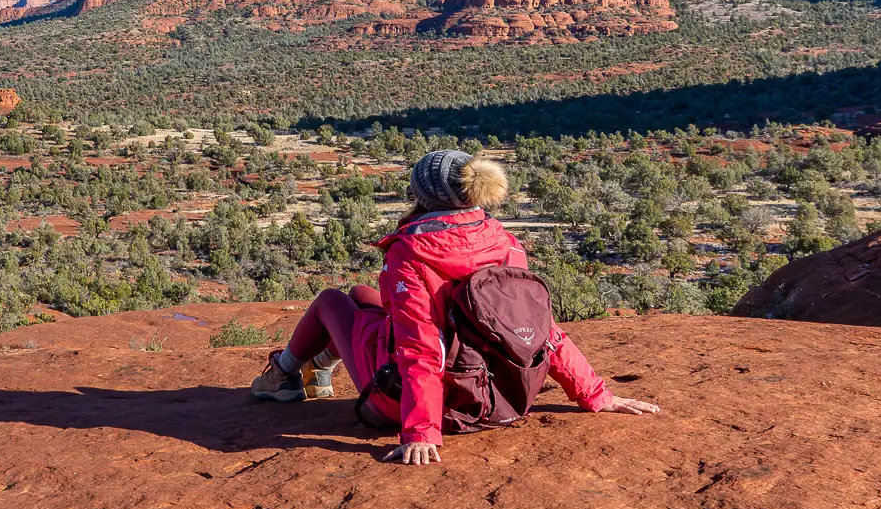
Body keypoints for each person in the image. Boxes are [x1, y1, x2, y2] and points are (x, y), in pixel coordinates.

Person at [251, 148, 660, 464]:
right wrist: (596, 395)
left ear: (424, 196)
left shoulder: (412, 253)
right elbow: (540, 331)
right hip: (496, 395)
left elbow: (420, 347)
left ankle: (285, 374)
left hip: (411, 403)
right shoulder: (505, 244)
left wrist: (421, 433)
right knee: (361, 296)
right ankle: (317, 370)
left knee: (332, 301)